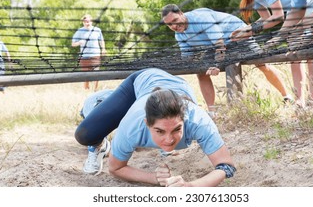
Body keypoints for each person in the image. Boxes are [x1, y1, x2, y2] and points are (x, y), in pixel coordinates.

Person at [75, 68, 235, 186]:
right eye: (160, 131)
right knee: (85, 134)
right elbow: (115, 168)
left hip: (178, 87)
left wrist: (191, 186)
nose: (169, 139)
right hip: (141, 81)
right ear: (146, 124)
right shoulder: (132, 126)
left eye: (177, 129)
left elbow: (226, 166)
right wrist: (153, 177)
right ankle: (103, 99)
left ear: (184, 121)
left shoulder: (199, 120)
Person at [222, 0, 313, 108]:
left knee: (310, 51)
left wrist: (251, 29)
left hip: (311, 4)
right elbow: (266, 19)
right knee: (293, 54)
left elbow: (278, 16)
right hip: (294, 12)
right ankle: (299, 101)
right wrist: (246, 29)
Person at [161, 4, 293, 112]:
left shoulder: (201, 18)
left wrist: (217, 64)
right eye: (169, 25)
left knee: (261, 64)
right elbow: (187, 58)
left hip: (236, 35)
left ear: (181, 13)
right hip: (214, 46)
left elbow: (220, 44)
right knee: (200, 72)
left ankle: (287, 96)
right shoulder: (179, 35)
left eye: (175, 21)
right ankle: (212, 111)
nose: (173, 26)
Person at [72, 14, 106, 91]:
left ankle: (95, 90)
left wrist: (103, 49)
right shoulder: (79, 31)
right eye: (85, 21)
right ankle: (86, 90)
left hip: (95, 55)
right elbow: (73, 44)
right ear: (83, 22)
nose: (87, 23)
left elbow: (101, 40)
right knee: (86, 75)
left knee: (96, 73)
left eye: (89, 21)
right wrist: (79, 42)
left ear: (91, 21)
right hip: (84, 56)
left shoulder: (97, 30)